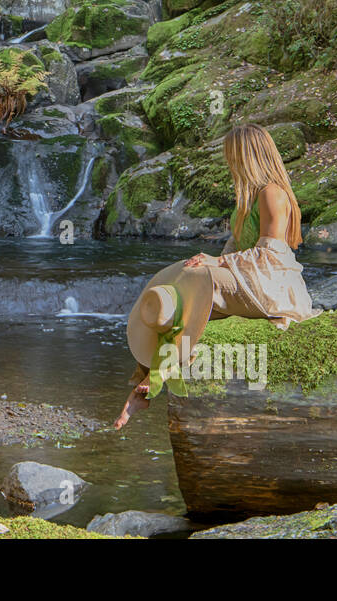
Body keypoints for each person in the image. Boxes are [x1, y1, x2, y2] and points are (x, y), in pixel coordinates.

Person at [113, 123, 318, 428]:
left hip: (273, 284)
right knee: (172, 292)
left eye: (232, 156)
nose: (229, 163)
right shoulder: (247, 201)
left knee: (195, 284)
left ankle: (155, 378)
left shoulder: (272, 193)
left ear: (250, 156)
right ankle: (146, 382)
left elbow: (271, 255)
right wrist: (205, 262)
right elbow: (232, 252)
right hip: (251, 277)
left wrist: (215, 261)